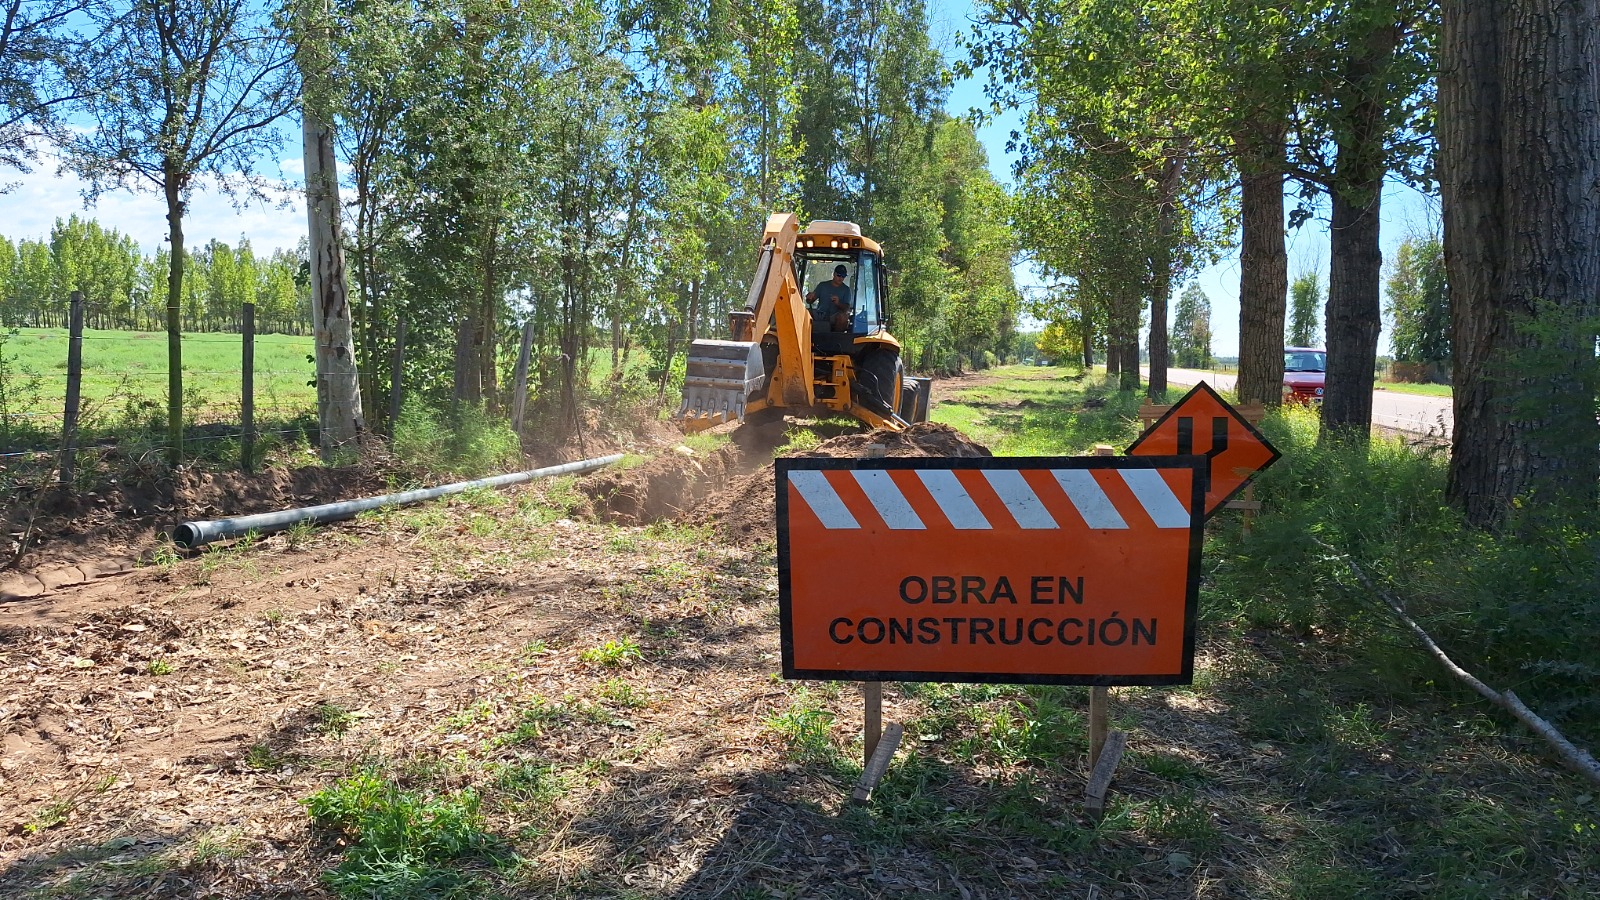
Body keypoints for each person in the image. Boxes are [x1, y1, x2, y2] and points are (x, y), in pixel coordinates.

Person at [805, 264, 853, 332]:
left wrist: (838, 303)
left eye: (843, 276)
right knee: (805, 312)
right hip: (820, 314)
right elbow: (810, 301)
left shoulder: (846, 290)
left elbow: (847, 308)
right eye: (839, 275)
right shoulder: (822, 286)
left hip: (834, 317)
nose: (841, 278)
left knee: (843, 317)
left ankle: (836, 338)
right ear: (834, 274)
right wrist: (809, 298)